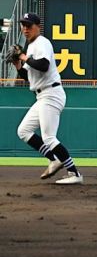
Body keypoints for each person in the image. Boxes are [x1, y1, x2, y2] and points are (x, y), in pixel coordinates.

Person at [11, 13, 82, 184]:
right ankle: (53, 160)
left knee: (49, 137)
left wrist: (23, 57)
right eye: (23, 25)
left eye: (29, 25)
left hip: (51, 94)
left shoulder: (42, 42)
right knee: (24, 131)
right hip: (42, 96)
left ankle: (75, 173)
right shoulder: (31, 47)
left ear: (38, 27)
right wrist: (18, 64)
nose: (25, 29)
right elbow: (29, 77)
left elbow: (43, 66)